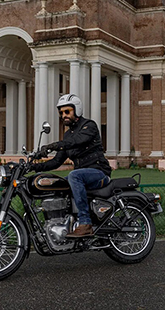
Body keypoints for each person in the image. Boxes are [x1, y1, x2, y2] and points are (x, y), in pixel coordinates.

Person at [29, 94, 112, 238]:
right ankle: (62, 222)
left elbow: (77, 141)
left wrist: (53, 145)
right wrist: (33, 166)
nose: (64, 115)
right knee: (54, 183)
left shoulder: (89, 126)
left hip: (99, 173)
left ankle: (85, 223)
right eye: (61, 113)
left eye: (67, 111)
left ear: (77, 110)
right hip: (81, 176)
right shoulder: (68, 135)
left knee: (74, 175)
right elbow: (56, 162)